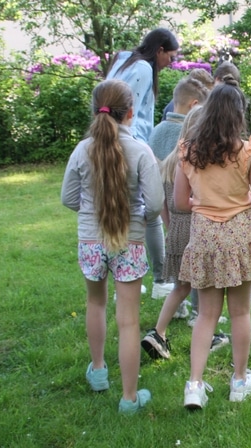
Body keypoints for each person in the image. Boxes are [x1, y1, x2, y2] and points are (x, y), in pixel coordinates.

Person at [60, 79, 163, 414]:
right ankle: (130, 398)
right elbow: (156, 202)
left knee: (96, 303)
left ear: (95, 111)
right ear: (130, 113)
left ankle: (99, 371)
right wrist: (142, 220)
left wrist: (91, 213)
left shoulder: (81, 150)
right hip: (129, 242)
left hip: (91, 241)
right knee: (129, 320)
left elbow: (69, 198)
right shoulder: (140, 151)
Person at [174, 76, 251, 409]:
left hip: (204, 235)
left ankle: (194, 385)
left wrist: (203, 201)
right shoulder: (246, 151)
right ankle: (240, 381)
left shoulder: (187, 151)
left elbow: (179, 202)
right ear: (238, 114)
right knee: (241, 312)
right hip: (240, 234)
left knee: (206, 316)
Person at [142, 105, 230, 360]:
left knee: (181, 287)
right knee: (207, 285)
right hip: (196, 229)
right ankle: (208, 336)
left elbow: (164, 205)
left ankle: (158, 333)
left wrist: (171, 228)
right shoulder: (197, 162)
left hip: (176, 229)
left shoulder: (172, 160)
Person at [106, 28, 179, 299]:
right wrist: (140, 151)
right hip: (132, 147)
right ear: (159, 49)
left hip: (114, 145)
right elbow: (130, 111)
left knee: (121, 211)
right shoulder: (142, 69)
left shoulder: (123, 60)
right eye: (170, 57)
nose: (170, 63)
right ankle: (161, 281)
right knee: (151, 212)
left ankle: (122, 283)